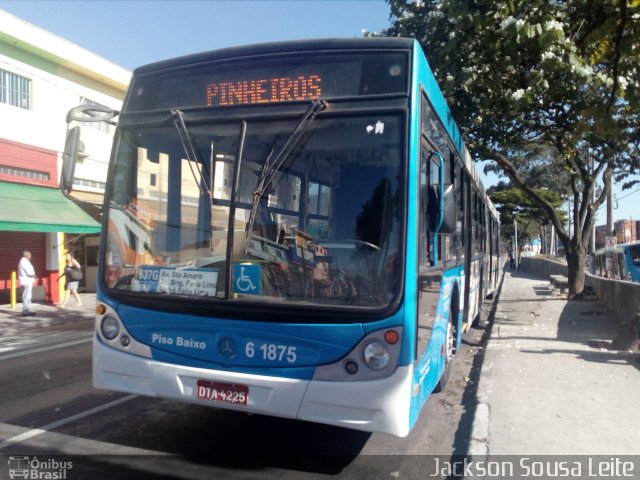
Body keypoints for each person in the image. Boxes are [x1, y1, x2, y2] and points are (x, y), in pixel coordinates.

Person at [18, 250, 37, 316]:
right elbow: (29, 273)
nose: (31, 256)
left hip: (27, 281)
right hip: (26, 281)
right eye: (30, 255)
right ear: (27, 255)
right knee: (26, 296)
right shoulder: (24, 262)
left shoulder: (23, 261)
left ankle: (28, 310)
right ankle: (25, 311)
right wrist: (35, 276)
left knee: (28, 296)